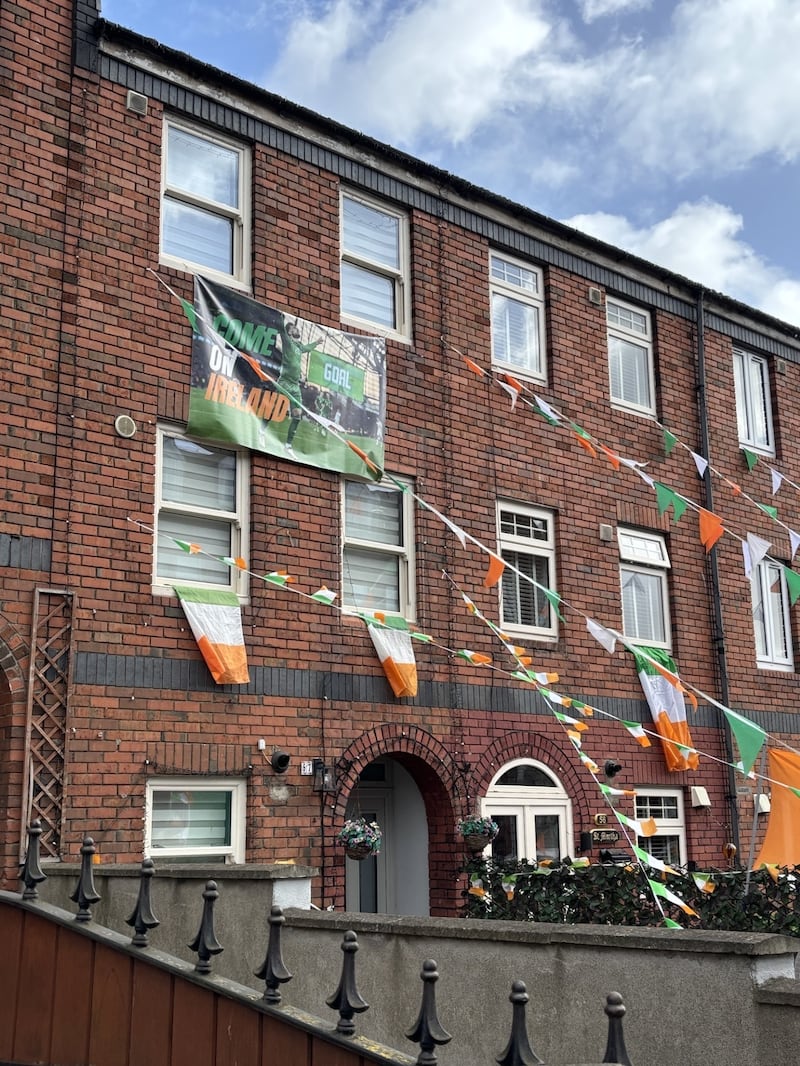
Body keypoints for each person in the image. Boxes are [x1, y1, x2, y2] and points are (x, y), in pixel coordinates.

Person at [275, 319, 321, 453]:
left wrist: (317, 343)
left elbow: (307, 348)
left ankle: (288, 445)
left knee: (297, 415)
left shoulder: (299, 346)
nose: (297, 329)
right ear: (290, 332)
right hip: (284, 382)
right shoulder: (287, 342)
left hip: (295, 386)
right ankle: (261, 430)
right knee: (272, 409)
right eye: (294, 328)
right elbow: (282, 331)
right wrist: (281, 318)